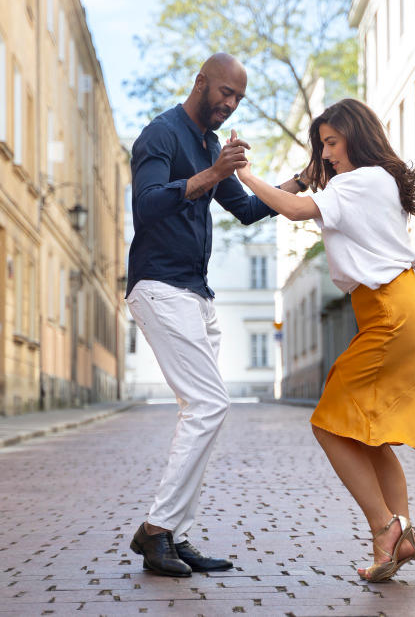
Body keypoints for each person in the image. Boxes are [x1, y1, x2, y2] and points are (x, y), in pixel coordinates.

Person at [235, 98, 415, 583]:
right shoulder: (375, 182)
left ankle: (384, 529)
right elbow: (313, 193)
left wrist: (245, 176)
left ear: (356, 137)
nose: (326, 155)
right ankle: (399, 538)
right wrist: (308, 172)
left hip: (388, 315)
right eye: (321, 146)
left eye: (331, 143)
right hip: (400, 313)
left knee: (328, 424)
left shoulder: (358, 181)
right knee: (371, 435)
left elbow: (295, 209)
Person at [126, 53, 309, 577]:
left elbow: (249, 211)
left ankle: (173, 533)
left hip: (197, 294)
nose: (230, 105)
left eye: (238, 99)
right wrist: (210, 173)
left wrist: (299, 180)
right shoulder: (159, 135)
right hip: (159, 285)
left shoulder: (210, 145)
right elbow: (146, 204)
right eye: (225, 93)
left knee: (202, 412)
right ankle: (156, 532)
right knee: (209, 403)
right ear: (201, 82)